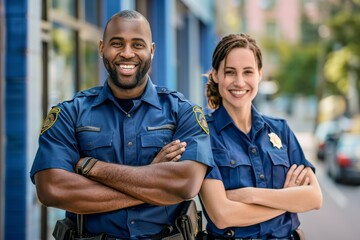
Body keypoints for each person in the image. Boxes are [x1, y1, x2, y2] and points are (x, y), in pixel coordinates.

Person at [30, 10, 214, 239]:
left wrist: (93, 169)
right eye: (117, 43)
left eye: (137, 45)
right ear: (101, 48)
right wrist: (154, 180)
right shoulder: (70, 113)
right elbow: (51, 189)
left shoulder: (183, 112)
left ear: (152, 51)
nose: (127, 53)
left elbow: (186, 184)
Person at [198, 33, 323, 239]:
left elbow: (314, 197)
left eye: (248, 72)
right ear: (215, 75)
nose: (239, 82)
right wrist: (287, 199)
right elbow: (222, 215)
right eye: (230, 72)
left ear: (259, 75)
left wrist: (249, 195)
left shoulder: (280, 130)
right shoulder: (203, 134)